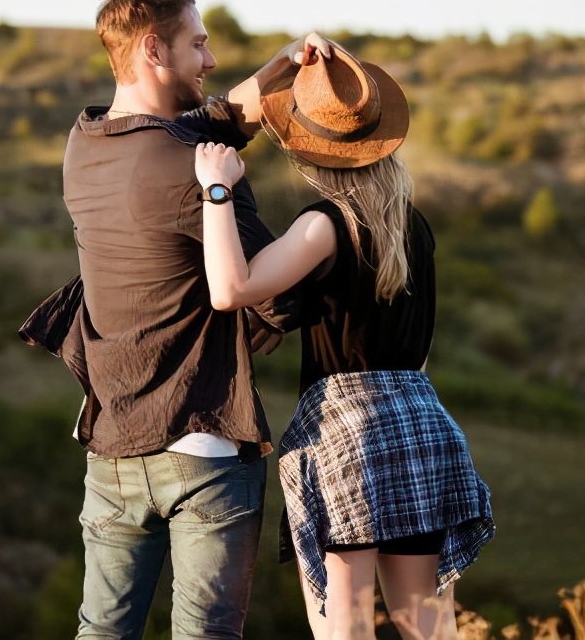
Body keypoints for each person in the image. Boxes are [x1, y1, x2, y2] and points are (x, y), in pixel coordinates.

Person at [28, 0, 329, 640]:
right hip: (204, 455)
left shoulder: (85, 143)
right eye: (198, 43)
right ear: (154, 53)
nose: (211, 58)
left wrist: (283, 66)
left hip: (111, 450)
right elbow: (280, 301)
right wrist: (331, 237)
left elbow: (207, 115)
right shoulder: (191, 168)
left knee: (100, 632)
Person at [194, 43, 495, 640]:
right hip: (422, 423)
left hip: (347, 436)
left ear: (311, 149)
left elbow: (231, 289)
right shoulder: (414, 225)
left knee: (345, 630)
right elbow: (422, 349)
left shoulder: (325, 224)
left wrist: (217, 190)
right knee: (429, 630)